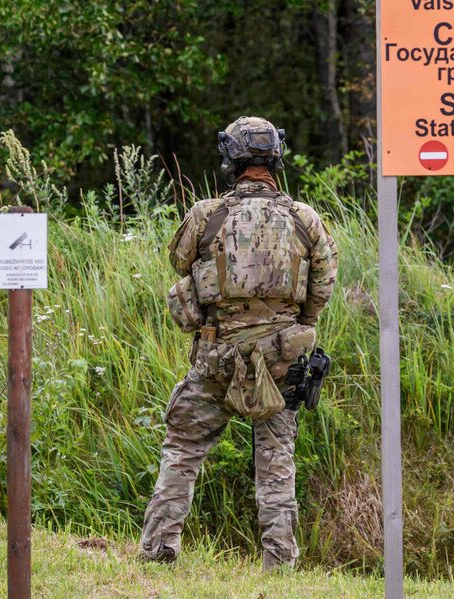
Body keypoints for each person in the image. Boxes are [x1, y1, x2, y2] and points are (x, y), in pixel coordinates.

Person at [139, 116, 337, 569]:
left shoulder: (207, 215)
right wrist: (293, 330)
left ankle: (158, 550)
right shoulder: (305, 218)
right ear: (276, 158)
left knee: (183, 449)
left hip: (216, 357)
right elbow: (322, 289)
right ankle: (279, 563)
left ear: (230, 158)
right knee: (277, 462)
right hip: (281, 362)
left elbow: (178, 261)